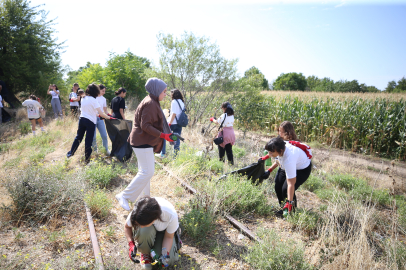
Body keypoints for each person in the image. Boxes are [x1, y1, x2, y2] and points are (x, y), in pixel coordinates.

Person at [115, 78, 175, 211]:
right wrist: (163, 135)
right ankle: (124, 196)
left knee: (145, 172)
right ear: (157, 90)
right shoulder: (150, 103)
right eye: (164, 91)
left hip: (142, 141)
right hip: (142, 141)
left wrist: (164, 135)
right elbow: (145, 125)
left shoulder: (151, 101)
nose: (165, 94)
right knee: (148, 172)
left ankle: (145, 200)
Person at [260, 136, 312, 215]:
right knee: (278, 186)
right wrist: (269, 169)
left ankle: (291, 211)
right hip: (289, 165)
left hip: (302, 169)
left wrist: (289, 202)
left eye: (271, 152)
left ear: (280, 151)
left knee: (285, 189)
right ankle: (282, 207)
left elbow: (291, 183)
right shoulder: (280, 146)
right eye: (268, 151)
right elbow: (278, 159)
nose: (269, 153)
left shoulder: (289, 158)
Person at [125, 196, 180, 269]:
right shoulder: (139, 211)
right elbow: (127, 226)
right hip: (149, 230)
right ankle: (145, 253)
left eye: (142, 224)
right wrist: (131, 245)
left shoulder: (170, 215)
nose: (140, 227)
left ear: (154, 219)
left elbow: (168, 237)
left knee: (167, 261)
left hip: (164, 233)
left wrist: (165, 254)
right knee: (144, 231)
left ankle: (155, 250)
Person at [66, 83, 115, 163]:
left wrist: (100, 115)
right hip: (90, 122)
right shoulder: (94, 100)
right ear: (95, 91)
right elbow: (102, 113)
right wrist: (110, 118)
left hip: (82, 119)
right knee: (88, 140)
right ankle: (87, 160)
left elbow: (91, 111)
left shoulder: (84, 98)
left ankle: (71, 153)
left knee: (78, 137)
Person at [157, 89, 185, 158]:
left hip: (172, 123)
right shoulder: (182, 102)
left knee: (163, 135)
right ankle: (175, 157)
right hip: (179, 123)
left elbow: (173, 114)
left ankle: (162, 153)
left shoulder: (174, 102)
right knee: (177, 139)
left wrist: (169, 123)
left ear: (173, 95)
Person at [92, 84, 110, 155]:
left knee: (104, 135)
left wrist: (109, 115)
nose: (104, 92)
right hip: (93, 119)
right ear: (98, 90)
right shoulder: (93, 98)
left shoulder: (104, 99)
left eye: (104, 91)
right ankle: (94, 151)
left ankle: (106, 150)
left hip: (100, 118)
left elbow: (105, 110)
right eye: (103, 91)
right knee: (93, 137)